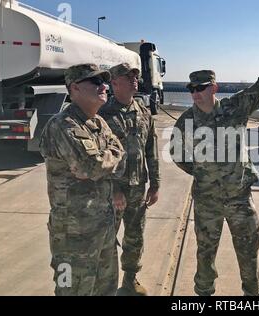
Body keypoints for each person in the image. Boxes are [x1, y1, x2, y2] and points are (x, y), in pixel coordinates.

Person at [170, 35, 259, 296]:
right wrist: (204, 172)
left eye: (200, 88)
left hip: (239, 199)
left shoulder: (234, 108)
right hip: (206, 201)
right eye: (190, 89)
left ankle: (252, 295)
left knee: (248, 253)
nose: (194, 94)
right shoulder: (186, 120)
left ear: (214, 88)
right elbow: (177, 153)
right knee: (205, 255)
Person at [40, 63, 127, 296]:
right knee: (72, 291)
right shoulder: (62, 124)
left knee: (106, 289)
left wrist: (105, 161)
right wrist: (105, 161)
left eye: (104, 81)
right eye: (96, 82)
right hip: (73, 236)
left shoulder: (98, 123)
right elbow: (93, 167)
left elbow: (119, 158)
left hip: (103, 228)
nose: (104, 86)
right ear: (75, 88)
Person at [99, 63, 160, 296]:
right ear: (115, 83)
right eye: (128, 76)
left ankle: (130, 280)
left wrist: (155, 184)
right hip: (111, 191)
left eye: (136, 75)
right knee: (105, 239)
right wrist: (113, 189)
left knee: (135, 238)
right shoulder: (102, 113)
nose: (135, 79)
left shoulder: (143, 111)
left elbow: (151, 150)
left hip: (138, 187)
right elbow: (98, 157)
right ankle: (105, 285)